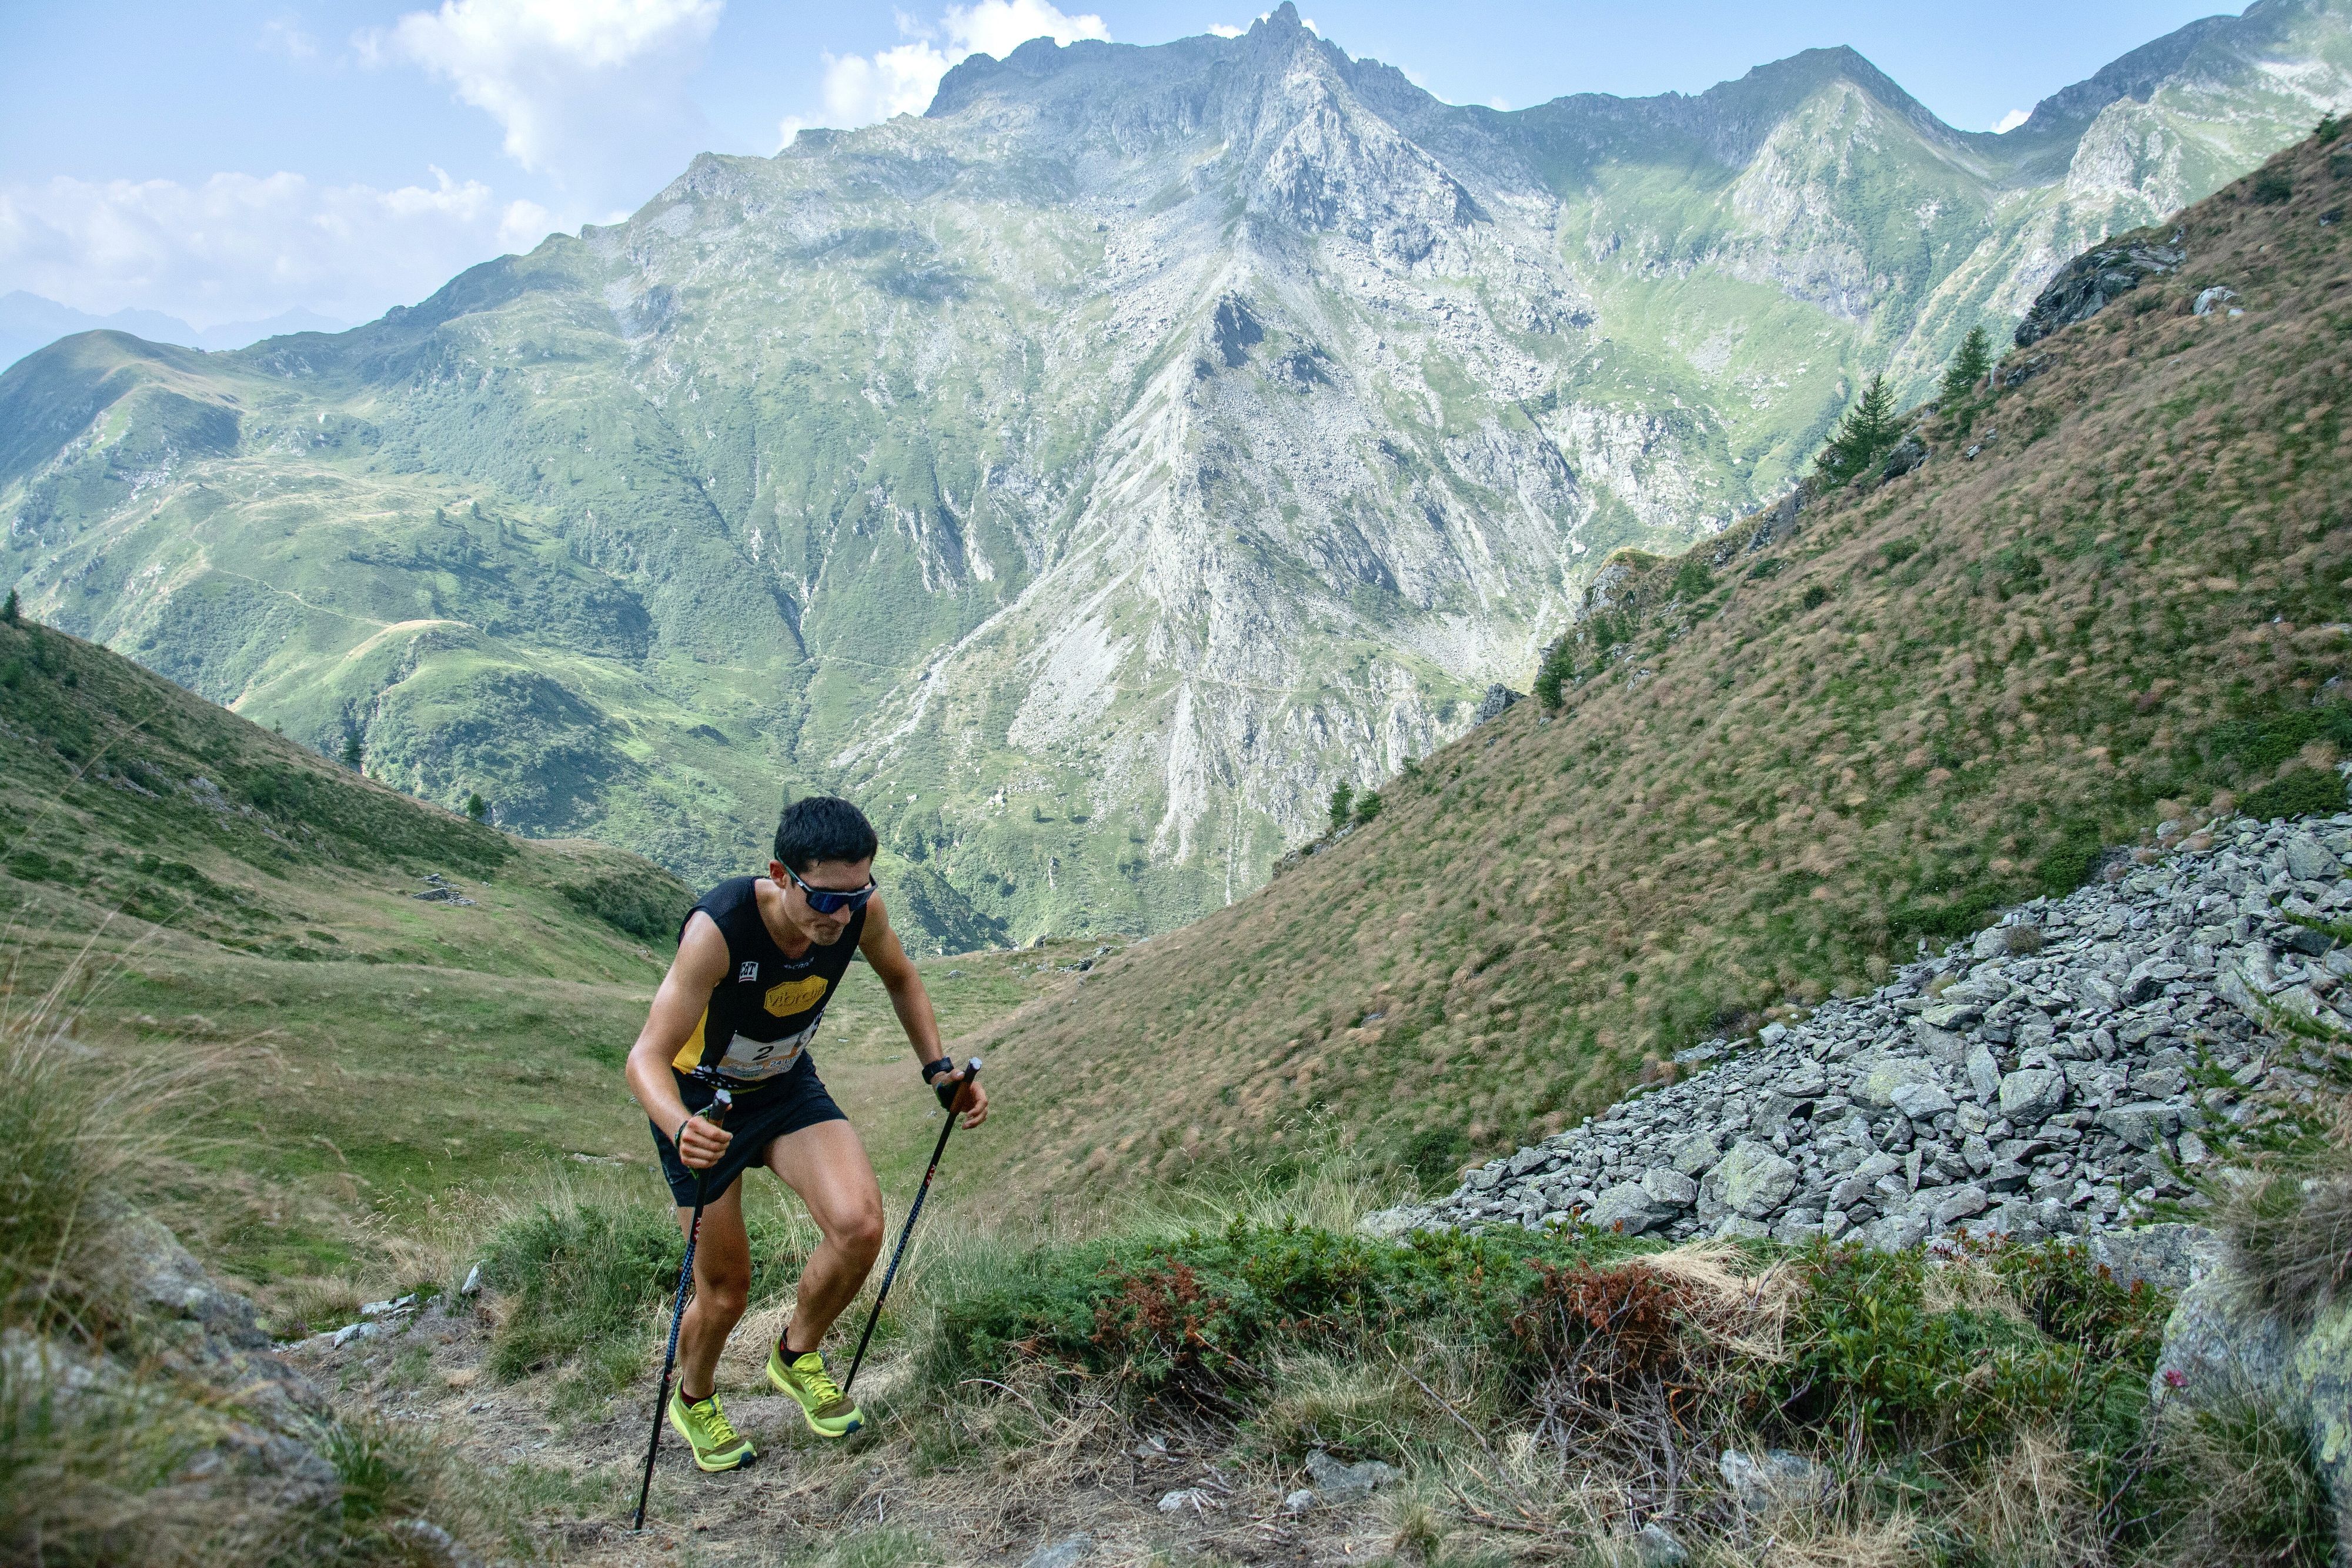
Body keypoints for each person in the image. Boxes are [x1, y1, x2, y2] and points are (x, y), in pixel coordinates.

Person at [623, 795, 986, 1472]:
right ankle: (695, 1398)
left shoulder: (857, 913)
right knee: (725, 1289)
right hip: (705, 1106)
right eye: (823, 899)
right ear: (781, 875)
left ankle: (795, 1355)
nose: (840, 916)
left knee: (859, 1227)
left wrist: (939, 1071)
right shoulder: (719, 930)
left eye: (857, 895)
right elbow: (645, 1056)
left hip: (787, 1087)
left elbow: (902, 978)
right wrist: (678, 1127)